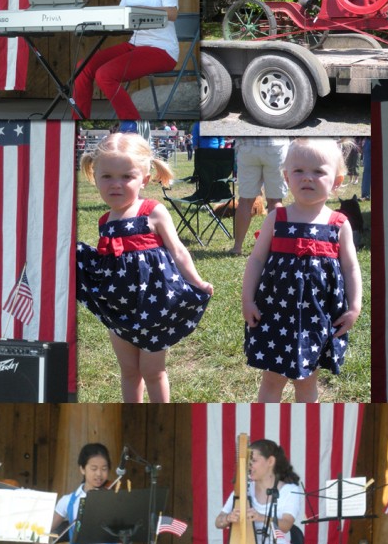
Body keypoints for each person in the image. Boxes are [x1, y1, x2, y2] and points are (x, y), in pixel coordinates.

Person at [76, 133, 213, 402]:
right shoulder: (105, 220)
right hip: (119, 306)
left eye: (126, 176)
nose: (116, 184)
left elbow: (178, 251)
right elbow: (109, 263)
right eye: (107, 177)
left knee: (152, 370)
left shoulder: (153, 211)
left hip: (154, 305)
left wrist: (197, 281)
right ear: (95, 176)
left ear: (145, 179)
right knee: (128, 370)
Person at [242, 137, 362, 402]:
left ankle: (306, 435)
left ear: (337, 182)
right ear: (286, 176)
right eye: (299, 171)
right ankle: (265, 432)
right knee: (272, 379)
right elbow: (257, 260)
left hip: (317, 317)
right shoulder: (277, 217)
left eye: (319, 171)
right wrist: (248, 300)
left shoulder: (339, 224)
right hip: (275, 314)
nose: (308, 177)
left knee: (307, 381)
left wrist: (354, 307)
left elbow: (351, 267)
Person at [72, 0, 180, 120]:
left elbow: (172, 13)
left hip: (161, 49)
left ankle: (133, 124)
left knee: (105, 74)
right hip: (134, 45)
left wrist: (138, 11)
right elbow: (122, 14)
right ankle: (78, 121)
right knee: (83, 66)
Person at [229, 137, 289, 256]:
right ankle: (275, 247)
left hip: (248, 145)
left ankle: (237, 247)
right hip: (276, 145)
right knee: (275, 200)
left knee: (245, 201)